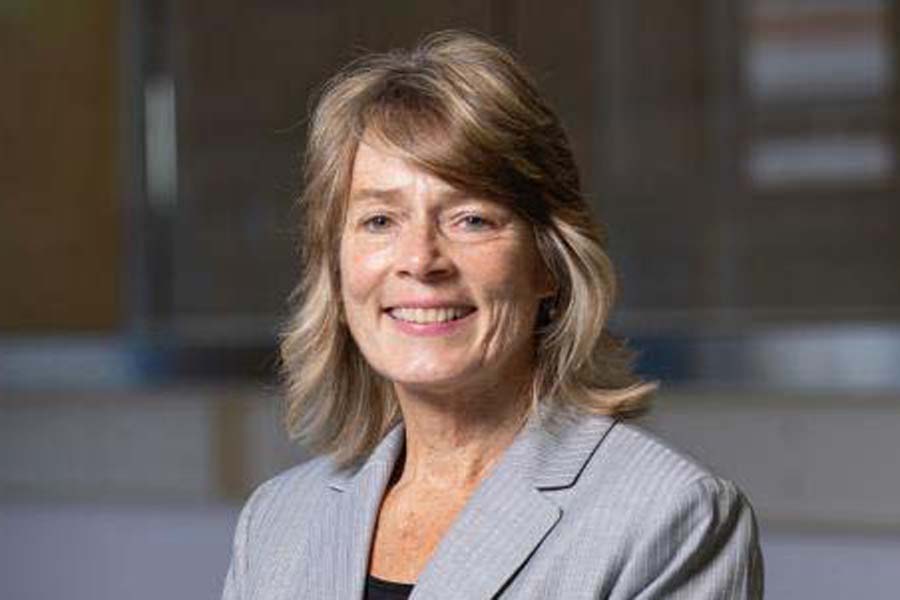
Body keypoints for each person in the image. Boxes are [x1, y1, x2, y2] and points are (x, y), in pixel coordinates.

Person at [222, 30, 763, 600]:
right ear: (336, 266)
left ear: (549, 263)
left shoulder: (670, 520)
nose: (420, 260)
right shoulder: (277, 522)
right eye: (380, 220)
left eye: (471, 219)